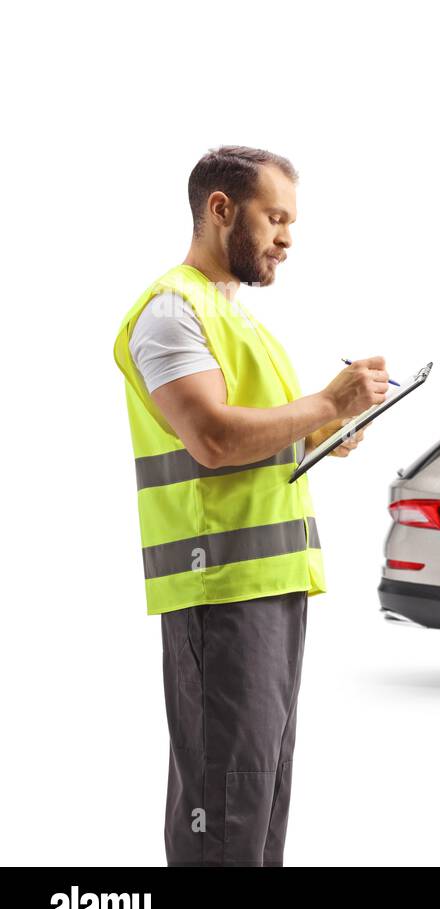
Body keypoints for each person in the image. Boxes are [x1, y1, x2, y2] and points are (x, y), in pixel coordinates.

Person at [111, 145, 391, 865]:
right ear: (221, 209)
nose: (287, 238)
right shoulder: (173, 312)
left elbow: (260, 440)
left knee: (255, 801)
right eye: (276, 218)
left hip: (268, 586)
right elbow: (210, 437)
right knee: (227, 806)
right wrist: (325, 401)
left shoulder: (239, 322)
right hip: (222, 588)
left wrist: (322, 429)